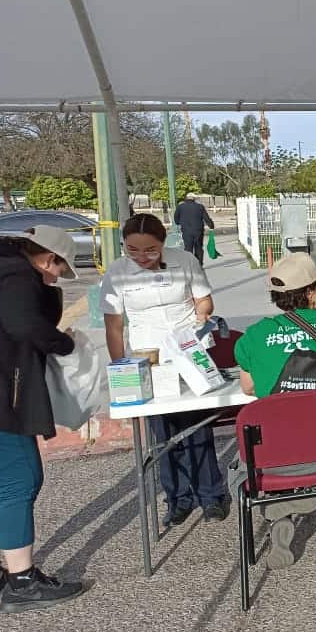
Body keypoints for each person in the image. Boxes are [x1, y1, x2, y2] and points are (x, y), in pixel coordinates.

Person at [102, 214, 231, 525]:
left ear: (163, 243)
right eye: (133, 250)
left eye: (150, 250)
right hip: (148, 357)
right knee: (163, 433)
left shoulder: (184, 260)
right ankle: (177, 498)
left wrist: (201, 316)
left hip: (188, 351)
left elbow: (205, 301)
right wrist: (121, 369)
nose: (142, 257)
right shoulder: (118, 272)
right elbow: (115, 327)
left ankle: (211, 495)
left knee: (197, 426)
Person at [233, 252, 316, 569]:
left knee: (246, 458)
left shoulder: (254, 337)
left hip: (272, 459)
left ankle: (286, 501)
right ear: (312, 291)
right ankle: (302, 494)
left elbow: (248, 388)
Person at [0, 226, 87, 612]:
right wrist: (62, 342)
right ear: (48, 259)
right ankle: (22, 581)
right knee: (19, 479)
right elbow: (26, 326)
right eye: (57, 272)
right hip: (0, 396)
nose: (54, 280)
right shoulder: (16, 277)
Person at [174, 192, 214, 266]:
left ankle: (189, 265)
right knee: (198, 247)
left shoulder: (180, 207)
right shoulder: (200, 207)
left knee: (188, 248)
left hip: (186, 231)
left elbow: (176, 217)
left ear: (186, 198)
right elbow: (206, 218)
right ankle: (199, 265)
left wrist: (179, 223)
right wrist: (211, 226)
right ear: (194, 198)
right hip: (198, 231)